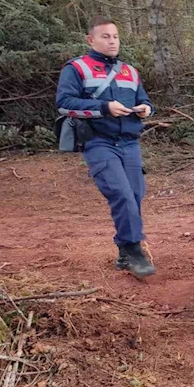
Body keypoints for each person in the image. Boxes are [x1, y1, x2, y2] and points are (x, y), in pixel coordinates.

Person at [56, 16, 157, 278]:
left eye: (115, 36)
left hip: (130, 143)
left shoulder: (130, 71)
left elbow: (143, 99)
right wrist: (104, 107)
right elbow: (64, 103)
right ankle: (134, 251)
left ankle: (124, 253)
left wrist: (147, 108)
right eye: (105, 36)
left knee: (135, 195)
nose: (112, 41)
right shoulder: (76, 68)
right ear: (91, 40)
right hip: (98, 142)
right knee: (121, 194)